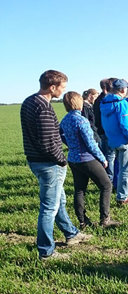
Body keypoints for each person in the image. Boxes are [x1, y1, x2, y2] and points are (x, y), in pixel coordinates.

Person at [20, 70, 92, 260]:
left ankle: (71, 234)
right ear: (53, 87)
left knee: (59, 201)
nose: (64, 91)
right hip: (48, 163)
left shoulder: (28, 102)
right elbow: (47, 142)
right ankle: (46, 251)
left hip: (36, 160)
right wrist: (61, 159)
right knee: (49, 207)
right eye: (63, 87)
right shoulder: (43, 107)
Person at [60, 92, 120, 229]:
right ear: (78, 103)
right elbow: (90, 143)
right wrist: (102, 159)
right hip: (87, 158)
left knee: (80, 189)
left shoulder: (64, 120)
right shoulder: (82, 121)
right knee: (106, 185)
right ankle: (105, 219)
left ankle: (83, 221)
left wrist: (70, 144)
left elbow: (61, 134)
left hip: (73, 159)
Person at [93, 78, 117, 183]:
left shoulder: (98, 100)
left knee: (109, 156)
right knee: (110, 157)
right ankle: (110, 179)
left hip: (102, 132)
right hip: (108, 132)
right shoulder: (106, 100)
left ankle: (109, 178)